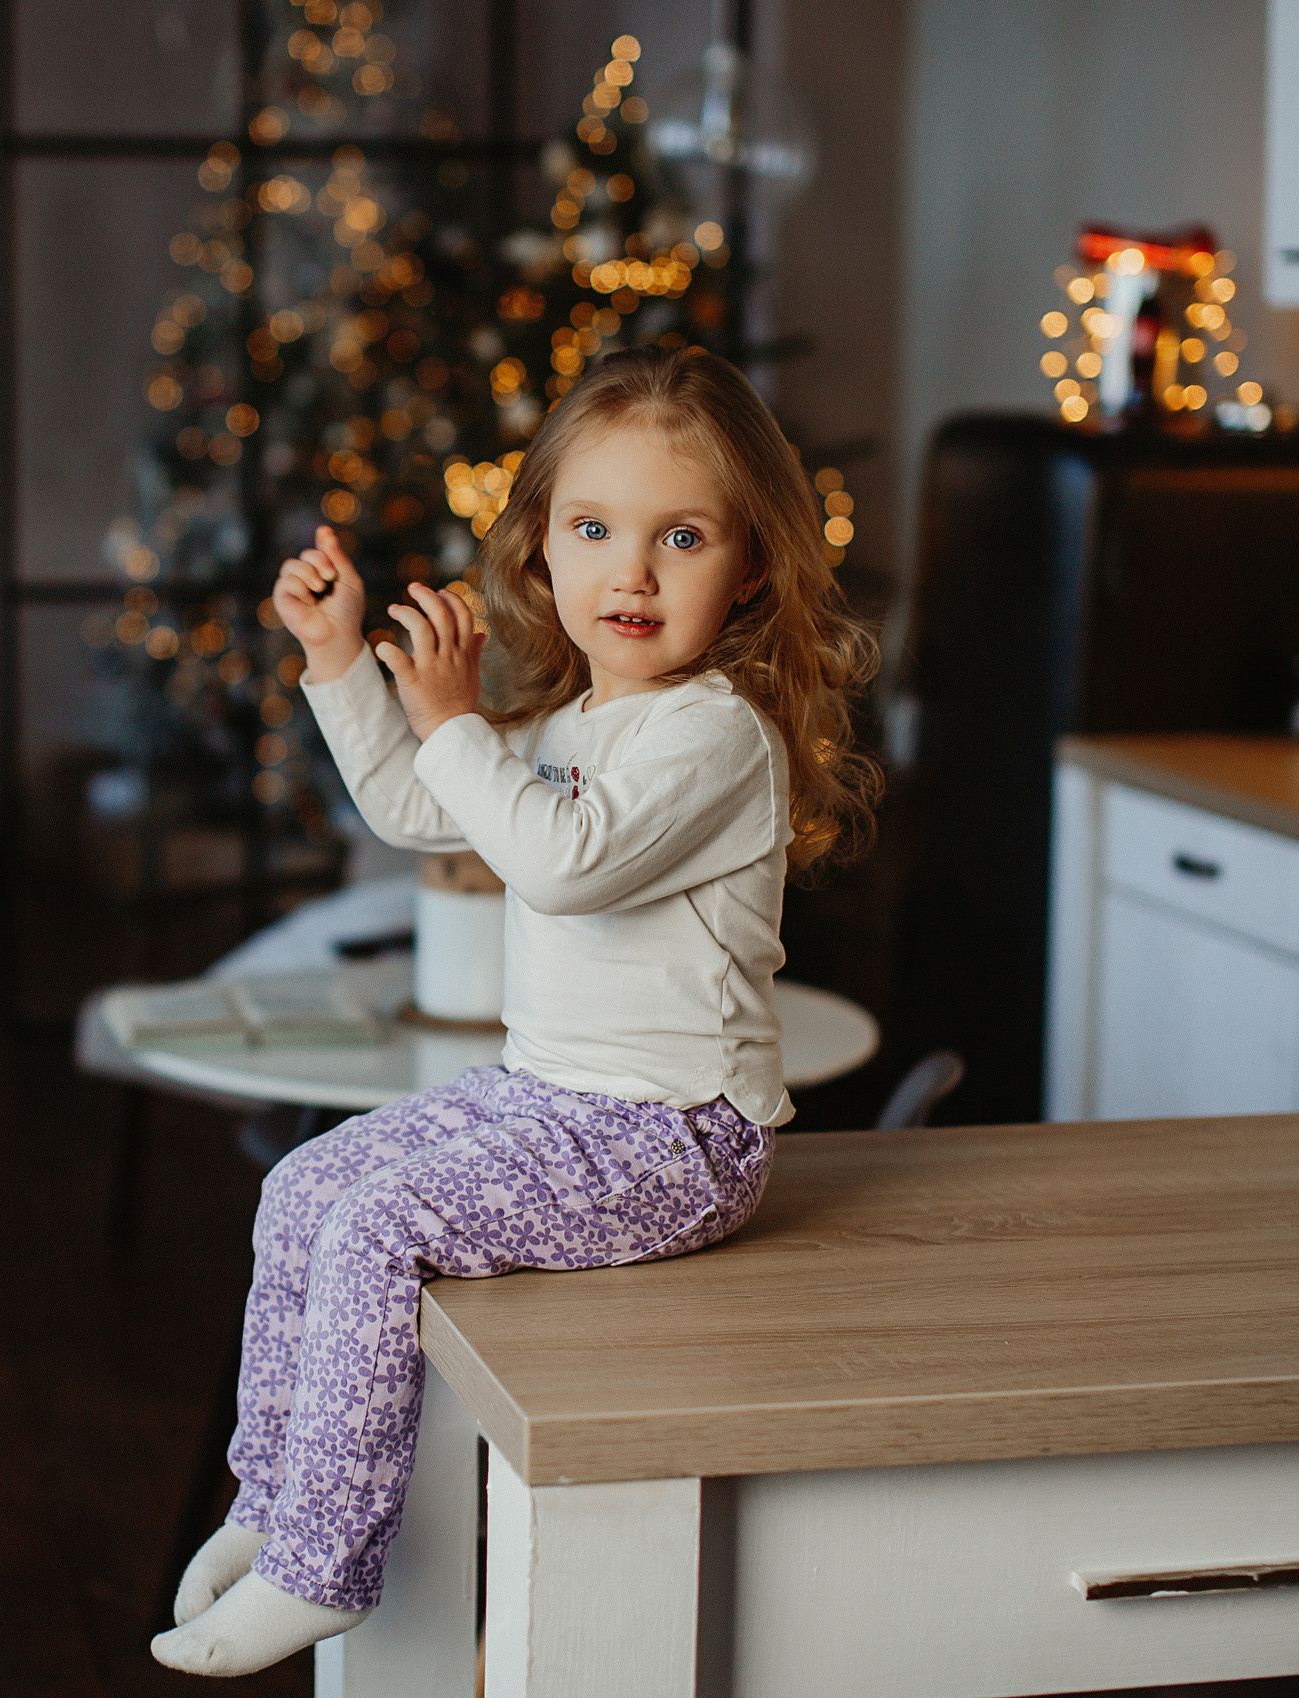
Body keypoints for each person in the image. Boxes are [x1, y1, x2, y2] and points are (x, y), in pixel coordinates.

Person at [152, 344, 880, 1677]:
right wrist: (340, 668)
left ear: (755, 566)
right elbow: (427, 810)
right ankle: (275, 1499)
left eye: (683, 535)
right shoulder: (574, 717)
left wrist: (454, 720)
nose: (634, 572)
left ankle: (326, 1564)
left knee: (379, 1223)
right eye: (594, 528)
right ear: (542, 548)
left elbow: (559, 859)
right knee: (306, 1187)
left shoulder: (715, 734)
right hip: (552, 1101)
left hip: (673, 1136)